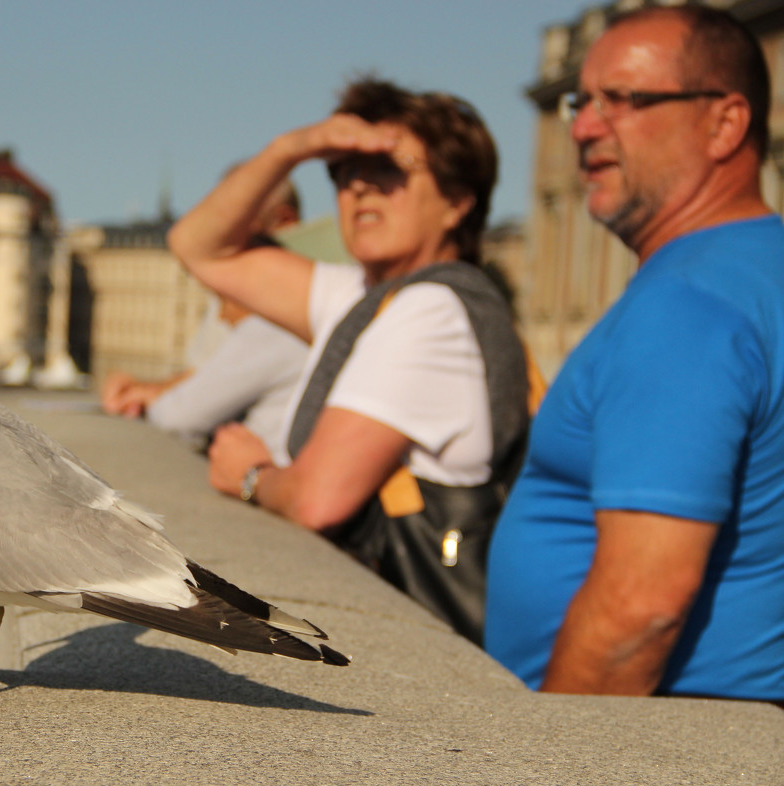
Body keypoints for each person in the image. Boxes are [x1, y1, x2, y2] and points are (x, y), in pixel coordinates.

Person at [485, 6, 784, 701]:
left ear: (725, 123)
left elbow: (636, 610)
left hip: (665, 737)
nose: (585, 127)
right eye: (580, 101)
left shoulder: (685, 304)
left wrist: (551, 766)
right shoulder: (757, 274)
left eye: (626, 100)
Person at [169, 76, 530, 643]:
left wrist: (250, 475)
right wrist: (297, 147)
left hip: (412, 634)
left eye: (388, 170)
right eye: (342, 171)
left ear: (457, 200)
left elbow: (317, 499)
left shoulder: (429, 311)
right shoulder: (366, 298)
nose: (360, 187)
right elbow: (199, 245)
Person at [101, 178, 309, 449]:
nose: (220, 314)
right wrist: (146, 389)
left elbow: (182, 414)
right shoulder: (291, 304)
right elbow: (206, 376)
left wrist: (147, 398)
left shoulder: (271, 323)